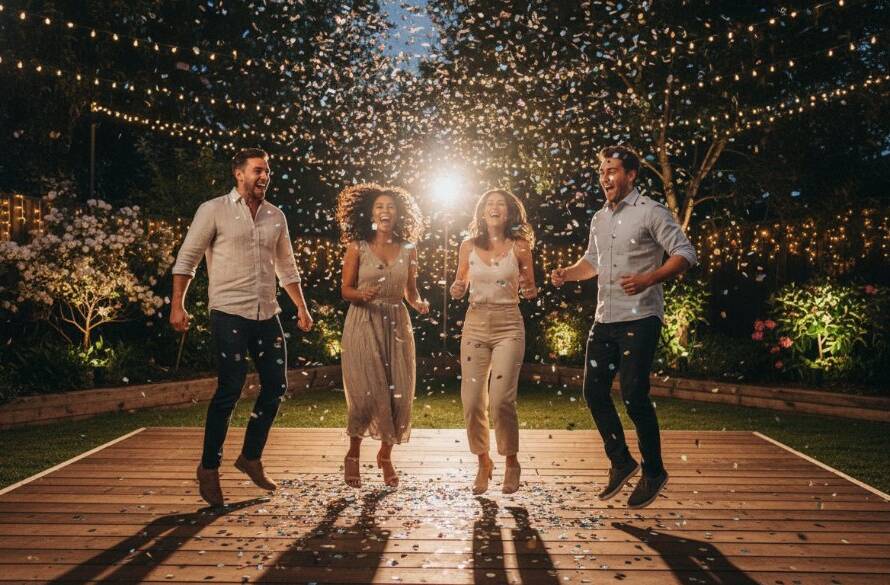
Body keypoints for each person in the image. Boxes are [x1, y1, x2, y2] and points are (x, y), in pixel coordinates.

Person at [550, 145, 697, 509]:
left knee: (633, 394)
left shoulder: (651, 211)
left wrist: (649, 278)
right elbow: (592, 262)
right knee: (593, 392)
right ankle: (621, 461)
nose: (605, 177)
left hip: (641, 317)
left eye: (612, 170)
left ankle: (654, 471)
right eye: (602, 171)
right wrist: (568, 273)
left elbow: (685, 253)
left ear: (631, 175)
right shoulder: (599, 218)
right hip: (605, 320)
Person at [170, 148, 313, 507]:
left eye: (267, 171)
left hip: (267, 314)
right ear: (239, 174)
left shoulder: (275, 216)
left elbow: (287, 267)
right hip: (229, 313)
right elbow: (187, 259)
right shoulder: (213, 210)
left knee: (276, 386)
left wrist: (301, 306)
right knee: (230, 389)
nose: (264, 176)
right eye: (258, 170)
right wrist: (177, 304)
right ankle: (208, 468)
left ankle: (250, 457)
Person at [336, 183, 428, 488]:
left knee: (398, 395)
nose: (385, 211)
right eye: (379, 206)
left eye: (390, 206)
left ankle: (386, 456)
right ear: (370, 213)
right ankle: (353, 454)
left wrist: (419, 303)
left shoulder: (409, 249)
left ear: (399, 213)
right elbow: (345, 290)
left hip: (397, 324)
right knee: (365, 396)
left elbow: (411, 291)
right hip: (364, 321)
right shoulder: (357, 247)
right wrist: (361, 294)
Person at [450, 188, 537, 494]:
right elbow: (460, 282)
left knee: (500, 399)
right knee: (473, 400)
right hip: (475, 324)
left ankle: (511, 462)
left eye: (500, 204)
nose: (495, 207)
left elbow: (529, 287)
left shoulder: (521, 246)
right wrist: (457, 289)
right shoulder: (468, 246)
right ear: (482, 212)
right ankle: (483, 462)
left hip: (508, 325)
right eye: (489, 204)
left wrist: (529, 289)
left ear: (509, 212)